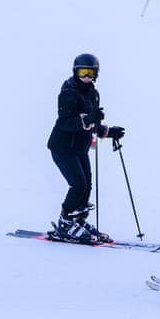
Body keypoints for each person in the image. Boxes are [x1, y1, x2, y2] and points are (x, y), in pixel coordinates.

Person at [46, 54, 125, 244]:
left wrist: (107, 131)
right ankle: (65, 222)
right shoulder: (68, 92)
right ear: (76, 72)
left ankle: (78, 220)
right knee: (78, 185)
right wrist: (87, 119)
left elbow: (92, 123)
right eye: (83, 72)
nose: (86, 76)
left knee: (87, 185)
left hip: (80, 147)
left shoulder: (92, 93)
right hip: (63, 147)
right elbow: (65, 122)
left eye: (91, 72)